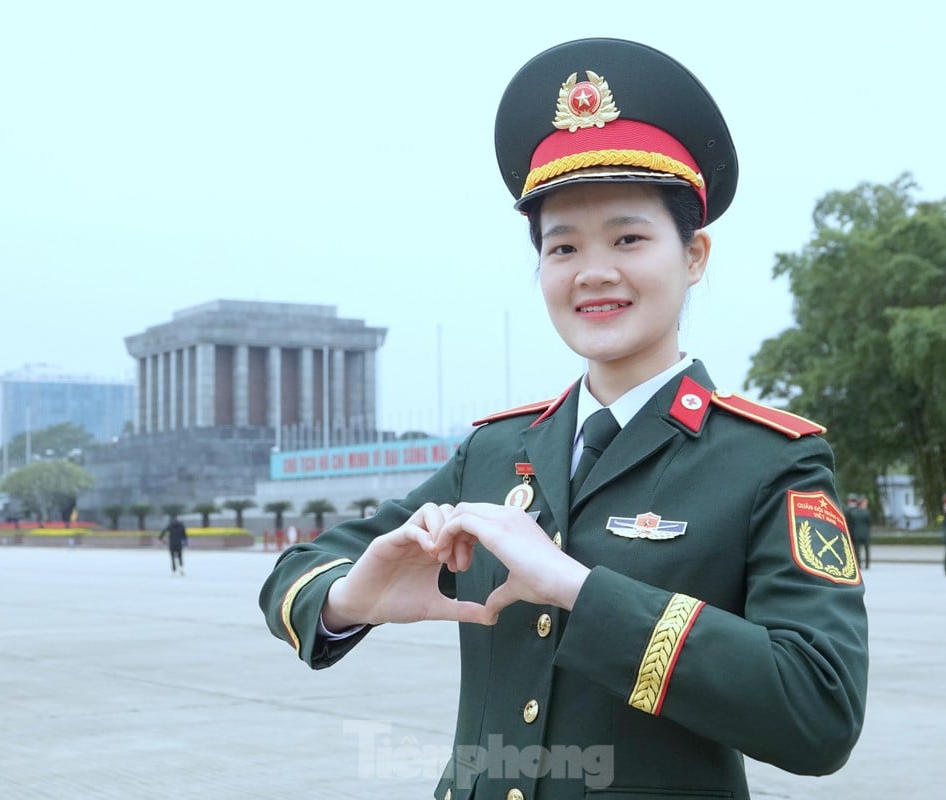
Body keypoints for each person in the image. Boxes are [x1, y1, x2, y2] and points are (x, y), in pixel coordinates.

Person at [259, 37, 868, 799]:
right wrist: (353, 599)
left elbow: (820, 712)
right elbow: (295, 575)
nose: (594, 272)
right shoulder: (496, 451)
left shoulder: (768, 460)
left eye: (629, 238)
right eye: (562, 246)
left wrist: (582, 591)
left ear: (695, 254)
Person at [853, 496, 873, 569]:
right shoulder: (867, 513)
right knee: (867, 550)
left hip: (856, 533)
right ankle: (867, 564)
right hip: (865, 534)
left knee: (857, 550)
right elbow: (869, 523)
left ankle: (859, 565)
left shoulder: (854, 512)